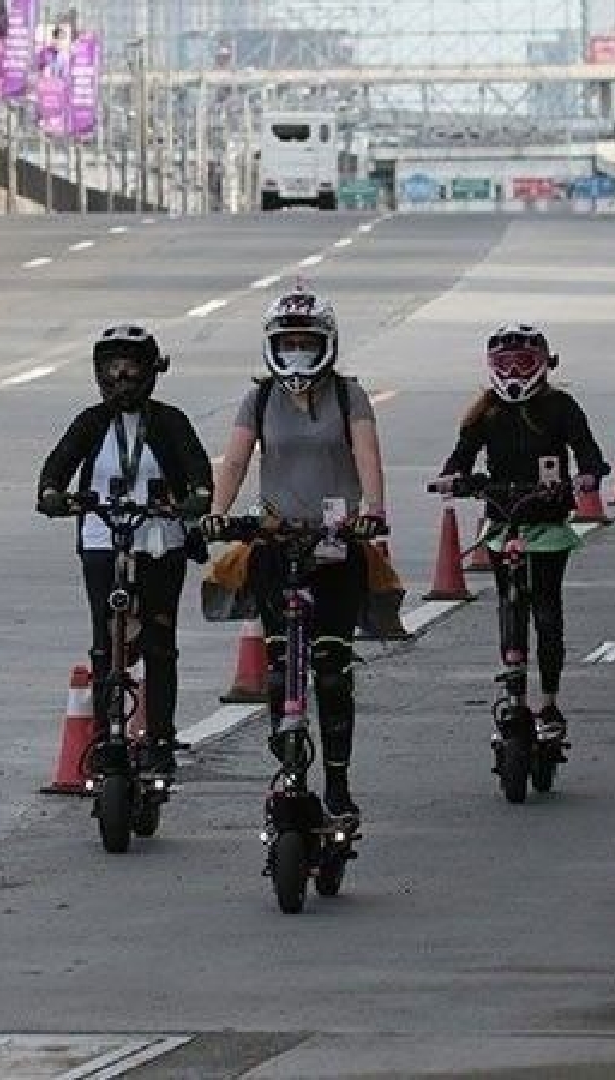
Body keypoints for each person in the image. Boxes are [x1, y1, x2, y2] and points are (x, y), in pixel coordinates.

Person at [203, 289, 388, 819]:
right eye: (289, 343)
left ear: (328, 343)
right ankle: (288, 768)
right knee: (282, 665)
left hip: (334, 543)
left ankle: (336, 782)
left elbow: (367, 453)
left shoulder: (350, 396)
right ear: (272, 346)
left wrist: (372, 510)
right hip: (275, 542)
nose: (299, 353)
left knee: (330, 665)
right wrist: (219, 511)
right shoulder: (259, 400)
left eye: (309, 342)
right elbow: (235, 461)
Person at [36, 325, 214, 776]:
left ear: (151, 370)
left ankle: (160, 737)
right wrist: (54, 494)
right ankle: (103, 734)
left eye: (131, 366)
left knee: (159, 642)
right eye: (111, 366)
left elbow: (198, 472)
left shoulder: (170, 421)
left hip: (159, 541)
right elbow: (57, 467)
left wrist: (193, 498)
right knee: (103, 640)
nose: (121, 377)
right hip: (102, 536)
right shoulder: (90, 422)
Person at [430, 325, 610, 741]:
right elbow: (460, 457)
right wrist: (452, 478)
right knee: (510, 607)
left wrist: (586, 475)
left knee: (545, 610)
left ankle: (547, 701)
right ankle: (515, 696)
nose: (513, 372)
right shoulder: (485, 412)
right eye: (504, 364)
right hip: (503, 523)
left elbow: (587, 450)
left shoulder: (560, 406)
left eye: (523, 363)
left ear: (543, 365)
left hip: (546, 525)